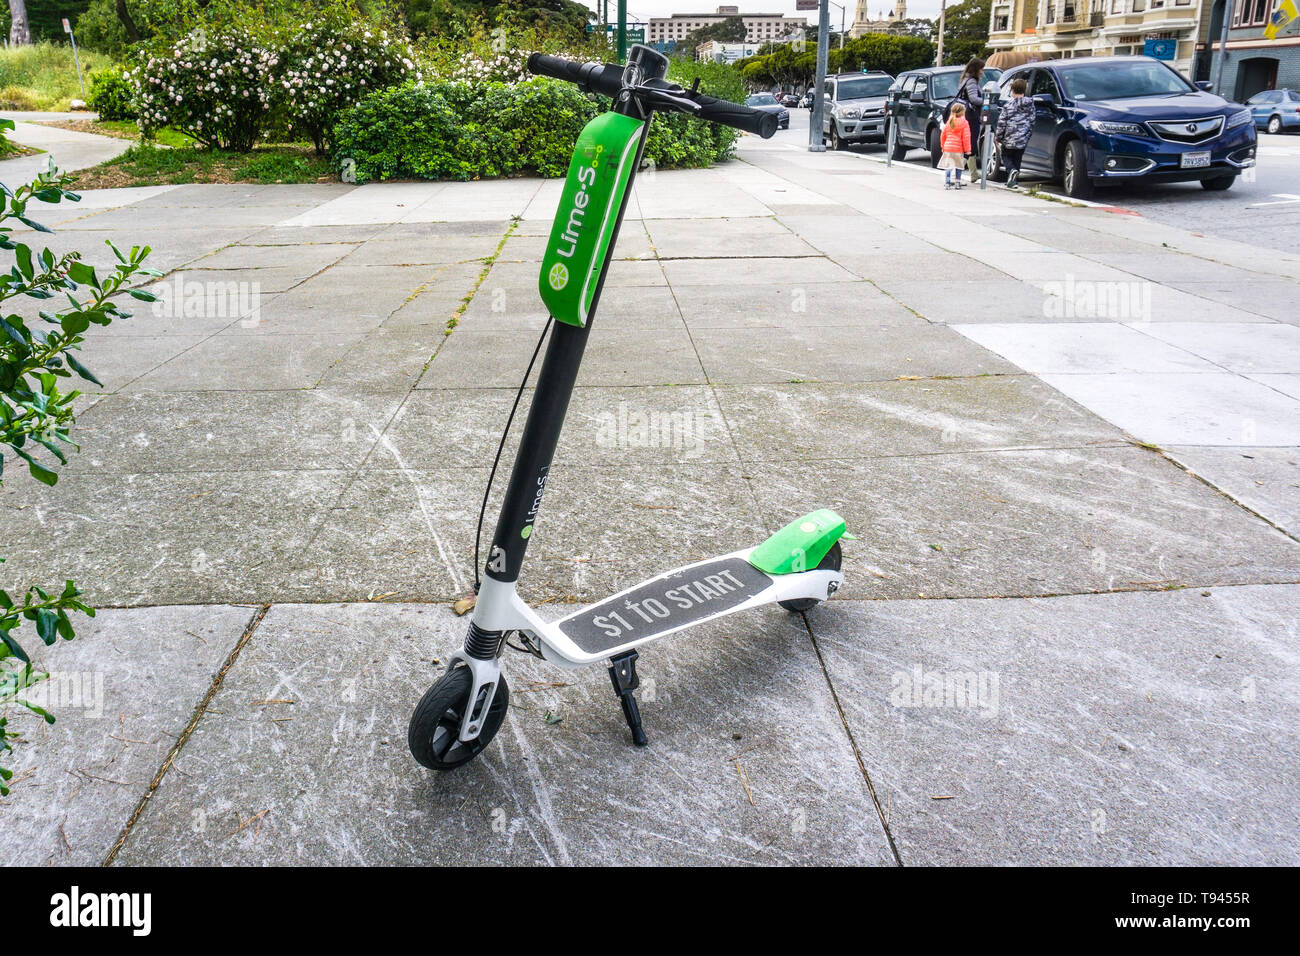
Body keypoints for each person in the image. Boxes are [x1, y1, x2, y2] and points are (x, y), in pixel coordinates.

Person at [994, 76, 1034, 189]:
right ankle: (1013, 182)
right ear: (1024, 90)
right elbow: (1032, 121)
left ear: (1012, 90)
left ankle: (1011, 171)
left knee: (1006, 156)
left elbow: (1002, 123)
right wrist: (1027, 135)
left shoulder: (1008, 106)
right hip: (1023, 138)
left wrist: (998, 137)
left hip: (1009, 138)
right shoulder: (1030, 104)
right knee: (1017, 159)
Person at [955, 58, 985, 172]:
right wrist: (985, 100)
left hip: (964, 115)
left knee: (968, 144)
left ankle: (973, 173)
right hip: (971, 116)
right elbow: (973, 99)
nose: (982, 72)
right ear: (976, 69)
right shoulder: (971, 81)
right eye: (981, 69)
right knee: (970, 143)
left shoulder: (965, 79)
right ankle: (958, 171)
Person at [939, 102, 972, 189]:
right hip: (958, 149)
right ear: (962, 112)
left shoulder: (949, 122)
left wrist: (943, 146)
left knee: (949, 166)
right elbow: (966, 137)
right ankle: (957, 184)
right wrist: (967, 149)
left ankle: (947, 183)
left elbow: (943, 135)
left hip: (948, 148)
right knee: (958, 166)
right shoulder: (964, 123)